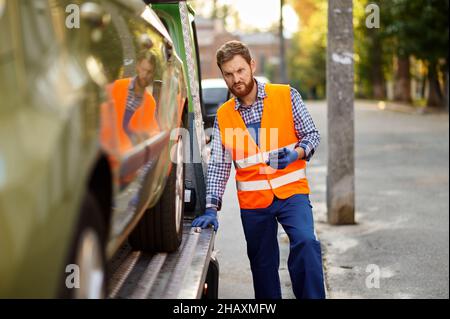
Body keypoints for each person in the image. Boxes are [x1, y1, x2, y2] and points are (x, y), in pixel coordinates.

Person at [192, 40, 326, 299]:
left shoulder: (286, 95)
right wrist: (211, 207)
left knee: (306, 243)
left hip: (292, 194)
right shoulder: (223, 115)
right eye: (228, 74)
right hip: (254, 204)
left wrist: (295, 153)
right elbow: (220, 164)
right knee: (262, 266)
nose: (236, 79)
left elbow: (311, 134)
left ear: (252, 65)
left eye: (240, 70)